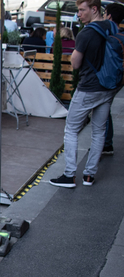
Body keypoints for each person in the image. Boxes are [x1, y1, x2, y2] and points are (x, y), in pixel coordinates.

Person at [50, 0, 120, 188]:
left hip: (89, 87)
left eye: (82, 10)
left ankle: (69, 175)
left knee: (71, 129)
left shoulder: (87, 33)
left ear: (94, 9)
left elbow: (75, 63)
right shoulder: (112, 26)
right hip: (109, 87)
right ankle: (89, 176)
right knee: (99, 132)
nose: (78, 14)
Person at [101, 2, 124, 155]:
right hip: (119, 78)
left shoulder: (110, 36)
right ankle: (107, 143)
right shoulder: (120, 34)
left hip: (113, 78)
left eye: (104, 13)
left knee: (104, 108)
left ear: (109, 15)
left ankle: (107, 144)